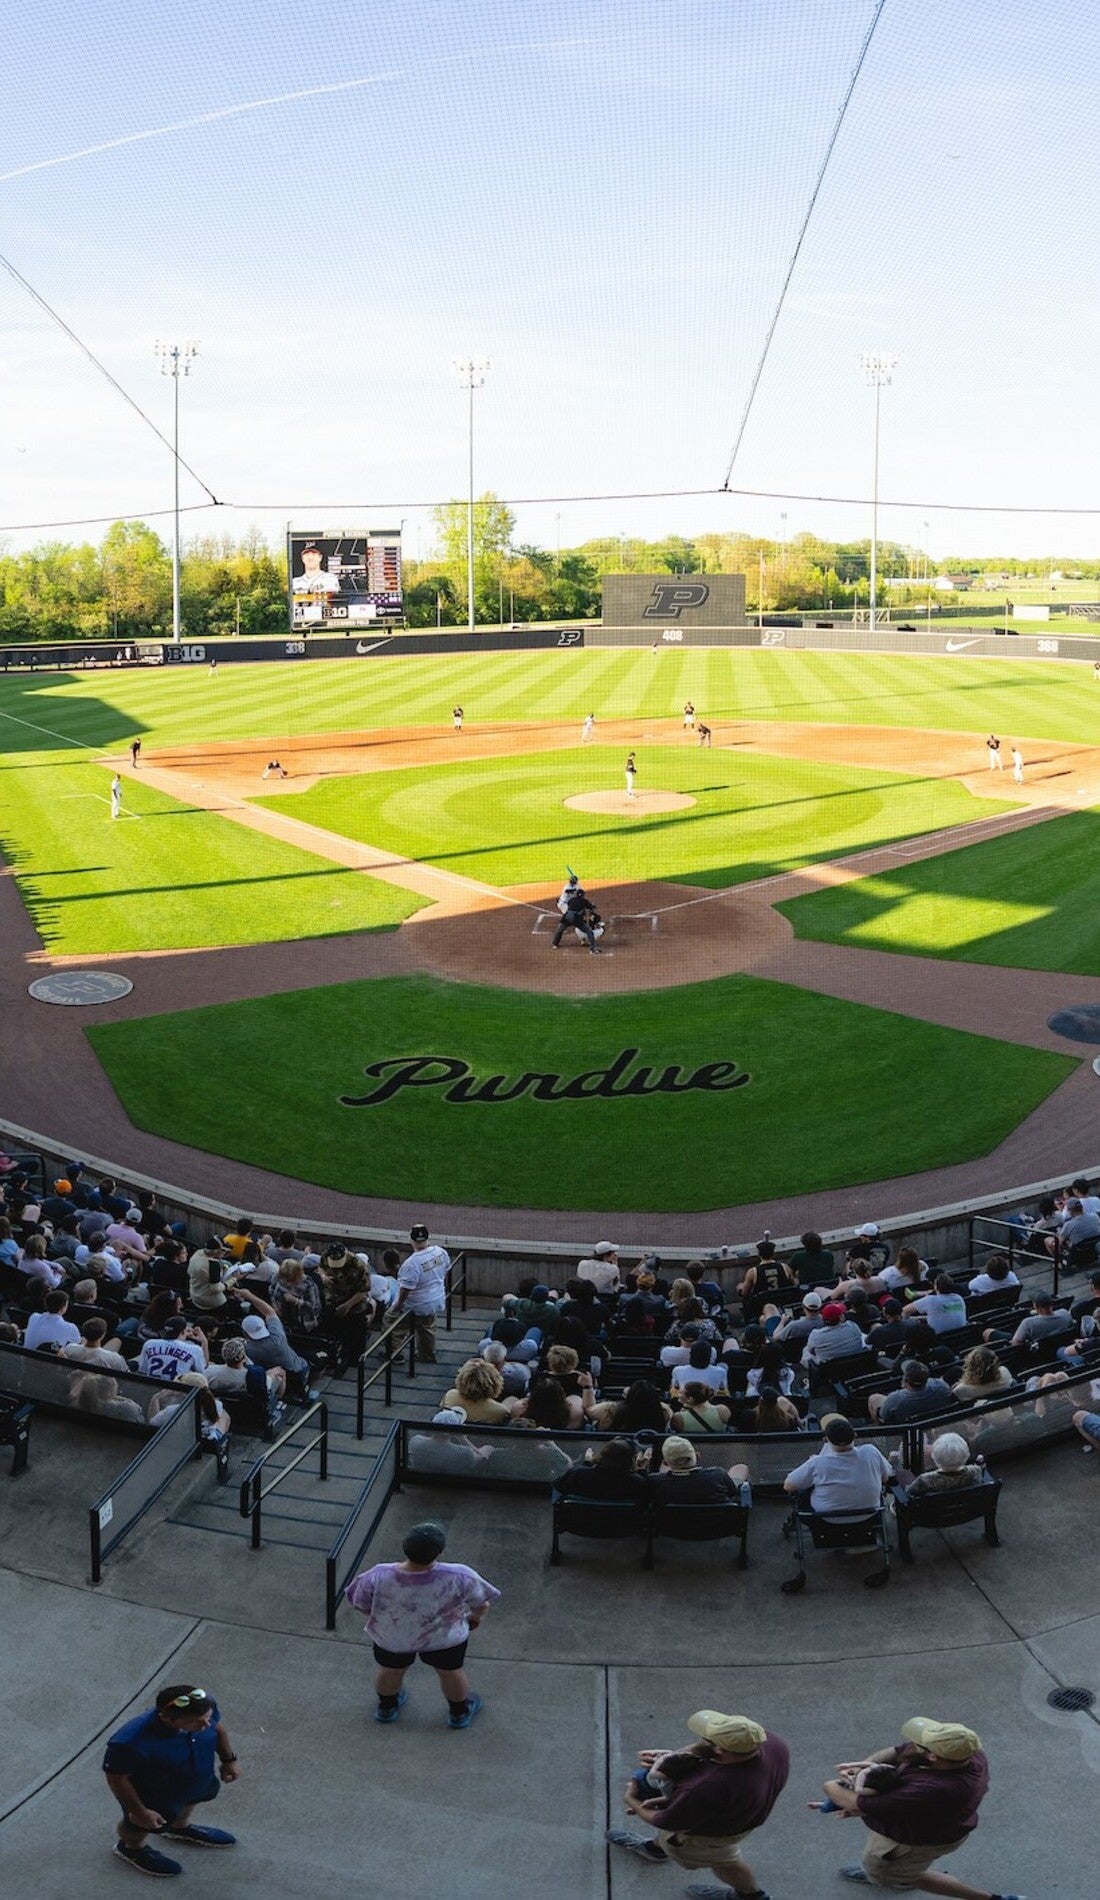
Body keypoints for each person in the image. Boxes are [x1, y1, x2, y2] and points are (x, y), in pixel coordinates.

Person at [821, 1716, 1021, 1899]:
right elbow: (897, 1751)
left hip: (911, 1844)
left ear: (933, 1757)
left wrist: (834, 1784)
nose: (912, 1745)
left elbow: (854, 1802)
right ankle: (900, 1874)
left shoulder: (933, 1789)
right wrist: (861, 1769)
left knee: (891, 1874)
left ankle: (987, 1898)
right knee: (899, 1870)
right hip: (932, 1825)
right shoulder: (966, 1752)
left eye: (920, 1744)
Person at [607, 1707, 788, 1897]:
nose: (701, 1739)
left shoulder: (705, 1787)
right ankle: (655, 1849)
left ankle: (750, 1895)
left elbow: (666, 1821)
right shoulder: (771, 1743)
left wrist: (632, 1800)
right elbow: (707, 1751)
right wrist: (673, 1758)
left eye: (707, 1738)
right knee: (674, 1830)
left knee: (725, 1861)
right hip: (740, 1811)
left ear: (718, 1750)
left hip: (713, 1834)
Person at [346, 1521, 499, 1728]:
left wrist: (379, 1618)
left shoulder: (378, 1574)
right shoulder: (460, 1575)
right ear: (440, 1552)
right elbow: (482, 1604)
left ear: (405, 1547)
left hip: (392, 1638)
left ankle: (387, 1707)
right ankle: (459, 1713)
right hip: (444, 1639)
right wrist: (475, 1618)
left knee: (391, 1669)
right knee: (450, 1672)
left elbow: (359, 1602)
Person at [102, 1683, 240, 1878]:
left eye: (207, 1717)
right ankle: (131, 1847)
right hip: (156, 1793)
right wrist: (139, 1811)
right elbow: (117, 1779)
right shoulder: (130, 1742)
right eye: (194, 1722)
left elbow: (217, 1728)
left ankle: (178, 1827)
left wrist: (229, 1760)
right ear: (166, 1717)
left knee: (191, 1800)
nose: (206, 1725)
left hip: (196, 1779)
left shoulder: (202, 1709)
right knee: (138, 1825)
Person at [783, 1415, 892, 1516]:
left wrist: (811, 1463)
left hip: (825, 1521)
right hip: (869, 1517)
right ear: (855, 1435)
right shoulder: (871, 1451)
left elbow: (788, 1486)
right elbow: (885, 1477)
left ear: (826, 1440)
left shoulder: (817, 1462)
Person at [391, 1224, 450, 1364]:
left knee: (391, 1324)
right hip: (436, 1300)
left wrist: (398, 1305)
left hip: (416, 1305)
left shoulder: (411, 1263)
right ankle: (427, 1356)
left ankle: (394, 1355)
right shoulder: (440, 1252)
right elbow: (445, 1271)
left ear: (411, 1240)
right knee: (427, 1328)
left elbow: (406, 1289)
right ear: (428, 1237)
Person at [648, 1434, 748, 1502]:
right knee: (741, 1468)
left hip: (672, 1526)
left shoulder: (656, 1481)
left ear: (666, 1462)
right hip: (717, 1525)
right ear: (697, 1455)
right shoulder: (717, 1474)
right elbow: (733, 1492)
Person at [868, 1360, 956, 1425]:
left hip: (905, 1430)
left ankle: (884, 1436)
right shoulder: (942, 1386)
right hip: (936, 1423)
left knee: (873, 1398)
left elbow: (883, 1416)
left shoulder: (895, 1399)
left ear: (906, 1380)